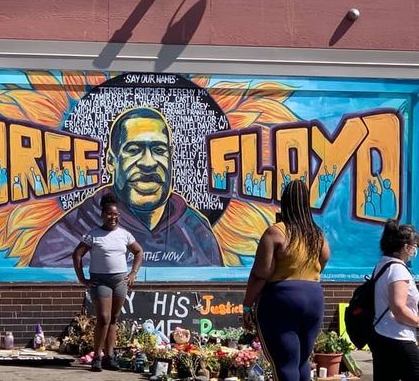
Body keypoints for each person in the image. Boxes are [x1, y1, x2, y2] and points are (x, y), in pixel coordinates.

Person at [30, 107, 222, 267]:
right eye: (133, 150)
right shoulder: (70, 233)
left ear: (171, 157)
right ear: (111, 161)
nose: (148, 163)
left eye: (159, 150)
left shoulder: (196, 230)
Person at [242, 180, 330, 381]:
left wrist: (247, 306)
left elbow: (260, 274)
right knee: (301, 361)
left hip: (282, 299)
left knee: (285, 363)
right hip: (314, 297)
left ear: (285, 202)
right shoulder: (317, 235)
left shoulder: (276, 232)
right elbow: (324, 258)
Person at [72, 193, 143, 372]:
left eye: (116, 214)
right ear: (103, 215)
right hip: (99, 280)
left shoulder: (124, 234)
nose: (113, 217)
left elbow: (138, 252)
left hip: (120, 280)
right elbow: (77, 254)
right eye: (110, 214)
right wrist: (81, 277)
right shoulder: (93, 235)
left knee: (113, 319)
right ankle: (97, 356)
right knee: (103, 318)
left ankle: (109, 357)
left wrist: (133, 273)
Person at [368, 219, 419, 381]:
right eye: (415, 245)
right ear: (405, 247)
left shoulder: (383, 264)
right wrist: (418, 321)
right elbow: (398, 308)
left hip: (381, 334)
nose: (415, 249)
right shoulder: (399, 270)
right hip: (399, 336)